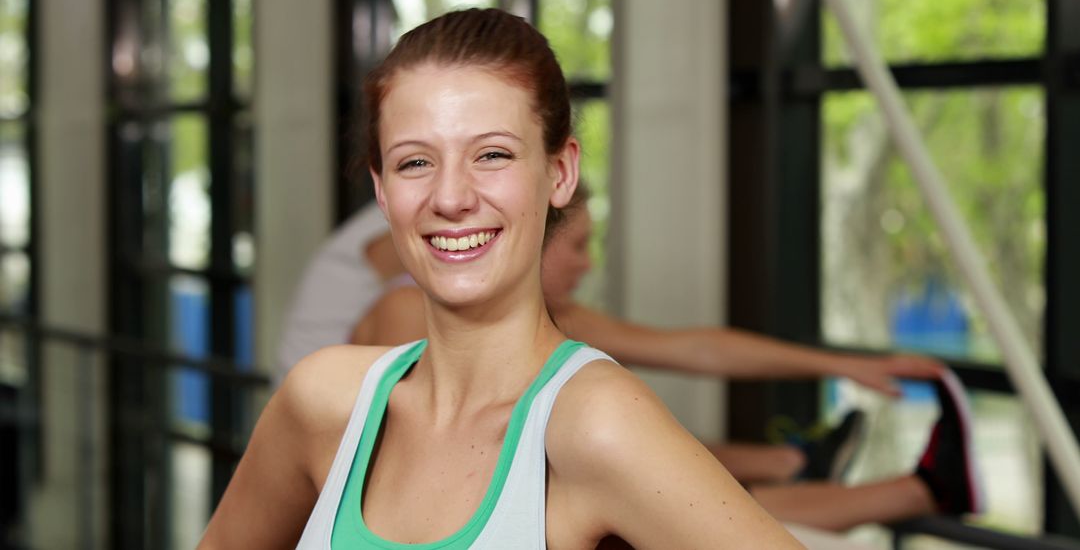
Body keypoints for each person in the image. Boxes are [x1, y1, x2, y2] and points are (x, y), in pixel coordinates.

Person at [201, 8, 802, 547]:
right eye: (415, 162)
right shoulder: (323, 400)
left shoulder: (595, 423)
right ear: (383, 193)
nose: (452, 197)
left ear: (560, 172)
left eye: (492, 154)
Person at [348, 183, 985, 531]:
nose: (587, 264)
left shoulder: (532, 319)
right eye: (578, 245)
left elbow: (695, 347)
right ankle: (870, 480)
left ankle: (902, 487)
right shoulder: (416, 316)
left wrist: (842, 365)